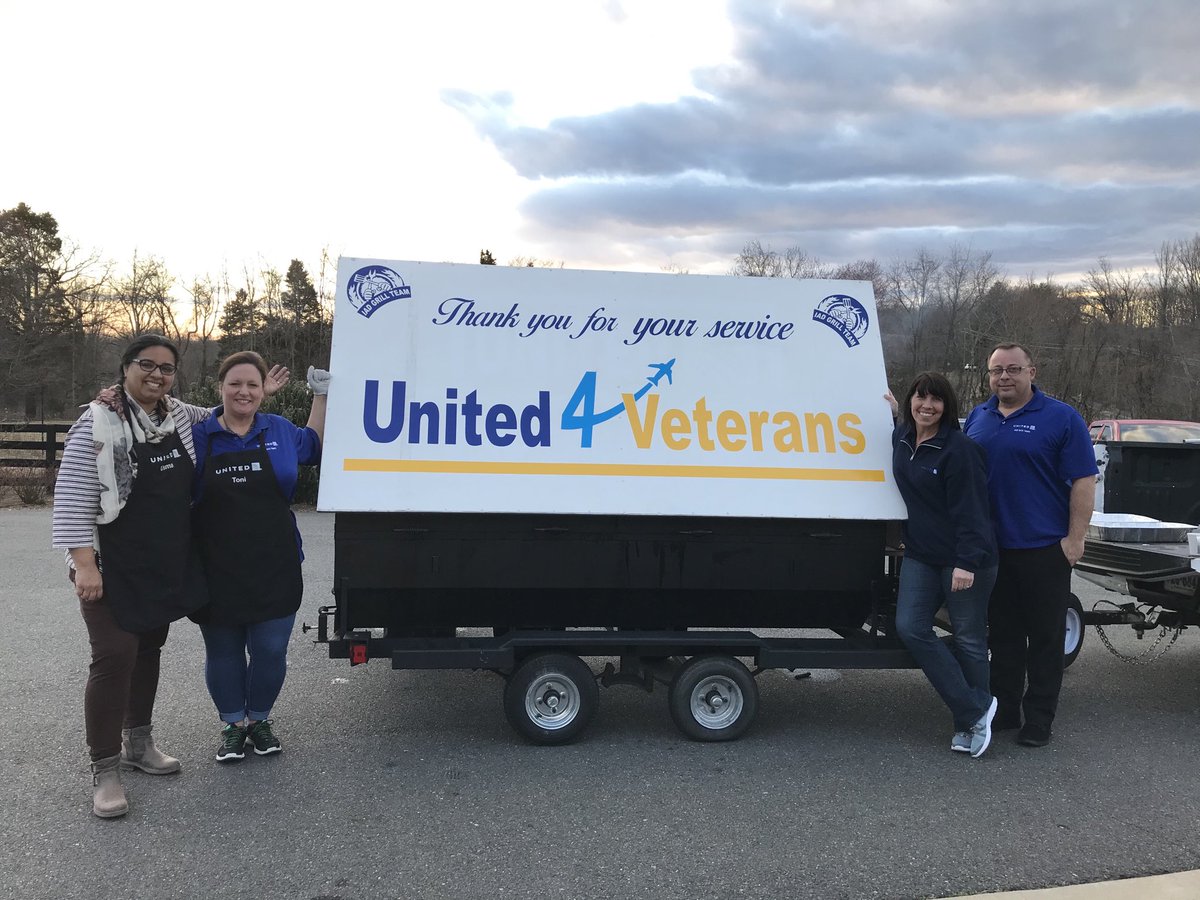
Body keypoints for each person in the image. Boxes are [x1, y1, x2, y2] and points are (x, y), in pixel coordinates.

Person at [51, 334, 287, 817]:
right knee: (115, 656)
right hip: (109, 565)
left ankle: (139, 743)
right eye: (147, 365)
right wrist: (86, 565)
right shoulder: (96, 422)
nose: (156, 375)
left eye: (166, 368)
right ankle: (106, 768)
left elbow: (225, 412)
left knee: (148, 650)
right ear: (124, 367)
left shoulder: (178, 416)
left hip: (159, 565)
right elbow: (73, 497)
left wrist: (256, 394)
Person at [190, 351, 328, 762]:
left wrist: (320, 396)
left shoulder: (280, 429)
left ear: (263, 388)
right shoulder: (199, 435)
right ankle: (234, 725)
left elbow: (314, 446)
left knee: (270, 651)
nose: (243, 391)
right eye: (235, 383)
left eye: (252, 384)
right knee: (224, 652)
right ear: (221, 387)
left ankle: (260, 720)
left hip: (276, 562)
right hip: (216, 566)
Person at [964, 343, 1098, 748]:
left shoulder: (1061, 418)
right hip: (992, 550)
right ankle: (1005, 709)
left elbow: (1084, 480)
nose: (1004, 377)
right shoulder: (978, 417)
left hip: (1043, 548)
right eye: (996, 370)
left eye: (1013, 369)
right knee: (1002, 636)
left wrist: (1075, 540)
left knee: (1044, 637)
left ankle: (1039, 718)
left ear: (1031, 372)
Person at [887, 373, 998, 758]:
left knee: (968, 638)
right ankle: (976, 710)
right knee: (910, 627)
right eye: (920, 398)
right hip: (921, 554)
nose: (927, 405)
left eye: (936, 399)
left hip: (964, 560)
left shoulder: (958, 450)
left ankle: (967, 723)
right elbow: (897, 417)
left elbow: (973, 512)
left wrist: (966, 562)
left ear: (947, 406)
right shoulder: (902, 438)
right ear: (910, 401)